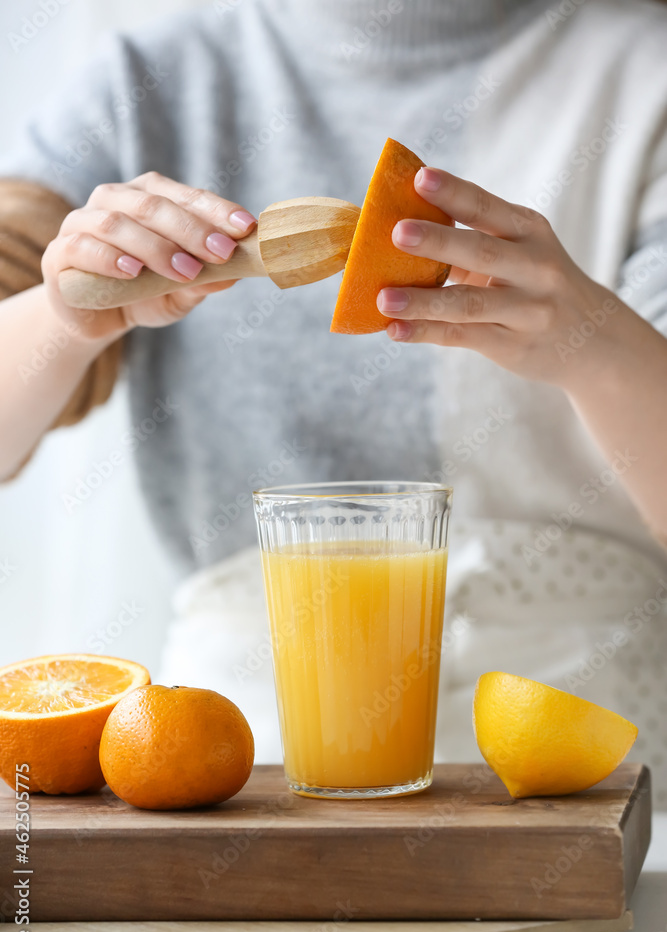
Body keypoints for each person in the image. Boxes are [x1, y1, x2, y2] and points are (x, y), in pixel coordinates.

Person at [1, 0, 667, 800]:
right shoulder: (145, 79)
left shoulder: (644, 73)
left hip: (585, 766)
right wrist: (64, 320)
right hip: (228, 772)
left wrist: (592, 345)